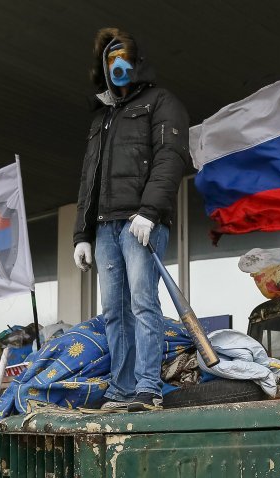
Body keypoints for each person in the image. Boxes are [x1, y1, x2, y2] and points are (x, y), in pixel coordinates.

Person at [72, 28, 190, 411]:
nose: (117, 65)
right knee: (114, 311)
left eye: (122, 56)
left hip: (141, 222)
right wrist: (82, 234)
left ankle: (147, 388)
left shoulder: (162, 102)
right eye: (110, 59)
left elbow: (170, 158)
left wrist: (149, 212)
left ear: (136, 61)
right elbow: (89, 178)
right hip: (105, 226)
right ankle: (121, 390)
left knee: (142, 303)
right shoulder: (102, 117)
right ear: (104, 68)